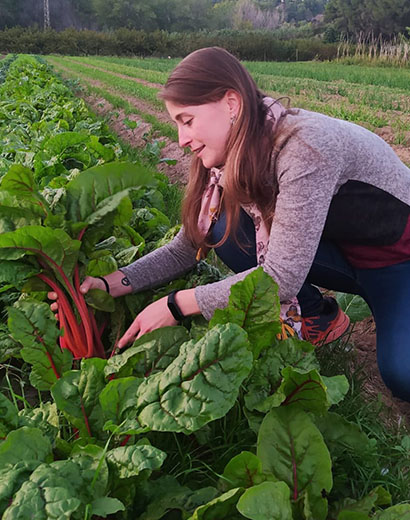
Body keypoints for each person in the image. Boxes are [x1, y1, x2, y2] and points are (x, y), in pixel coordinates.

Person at [49, 47, 410, 402]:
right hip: (342, 254)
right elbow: (188, 246)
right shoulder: (227, 162)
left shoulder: (305, 146)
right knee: (224, 228)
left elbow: (281, 277)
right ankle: (320, 317)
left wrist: (177, 304)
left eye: (187, 121)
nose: (181, 139)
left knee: (402, 375)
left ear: (231, 104)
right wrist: (111, 284)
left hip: (396, 261)